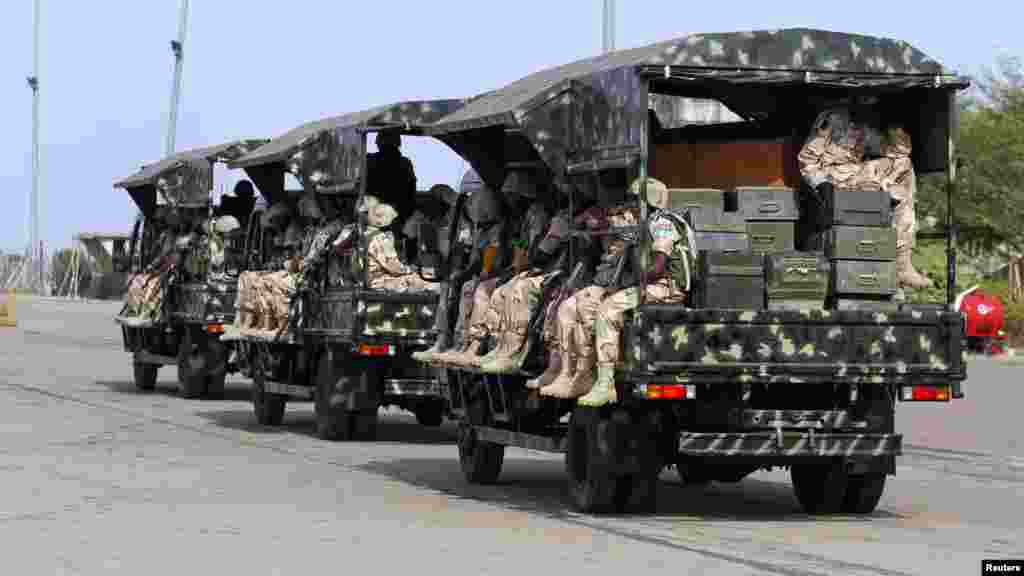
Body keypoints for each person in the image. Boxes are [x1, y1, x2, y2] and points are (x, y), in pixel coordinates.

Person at [576, 177, 694, 407]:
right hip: (655, 285)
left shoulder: (662, 223)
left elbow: (659, 265)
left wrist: (636, 283)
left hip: (665, 287)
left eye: (634, 199)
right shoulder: (649, 221)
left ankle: (605, 383)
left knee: (608, 310)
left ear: (647, 201)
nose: (629, 204)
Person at [798, 105, 931, 289]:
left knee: (904, 166)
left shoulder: (869, 122)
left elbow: (899, 153)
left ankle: (903, 263)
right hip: (831, 177)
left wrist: (894, 127)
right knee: (896, 187)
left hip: (855, 174)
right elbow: (808, 159)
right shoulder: (833, 118)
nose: (869, 100)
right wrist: (821, 184)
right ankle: (901, 265)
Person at [539, 174, 640, 399]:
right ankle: (567, 372)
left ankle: (590, 375)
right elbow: (580, 235)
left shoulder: (634, 217)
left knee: (589, 314)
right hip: (604, 281)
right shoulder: (604, 213)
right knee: (565, 309)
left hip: (624, 283)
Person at [441, 169, 553, 370]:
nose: (508, 200)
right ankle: (468, 344)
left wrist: (510, 272)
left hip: (538, 273)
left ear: (521, 195)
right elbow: (519, 250)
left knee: (490, 291)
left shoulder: (537, 215)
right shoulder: (520, 218)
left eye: (511, 195)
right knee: (476, 287)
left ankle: (488, 346)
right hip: (520, 270)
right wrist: (510, 270)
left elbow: (536, 252)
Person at [411, 170, 493, 364]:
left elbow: (479, 254)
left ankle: (460, 343)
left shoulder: (479, 221)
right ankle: (444, 341)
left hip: (478, 272)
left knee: (465, 291)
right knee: (449, 290)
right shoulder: (459, 218)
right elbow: (461, 247)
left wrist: (465, 273)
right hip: (462, 269)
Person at [365, 131, 417, 231]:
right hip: (397, 216)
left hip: (382, 216)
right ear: (397, 144)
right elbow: (411, 195)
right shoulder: (405, 163)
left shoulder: (370, 161)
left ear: (379, 144)